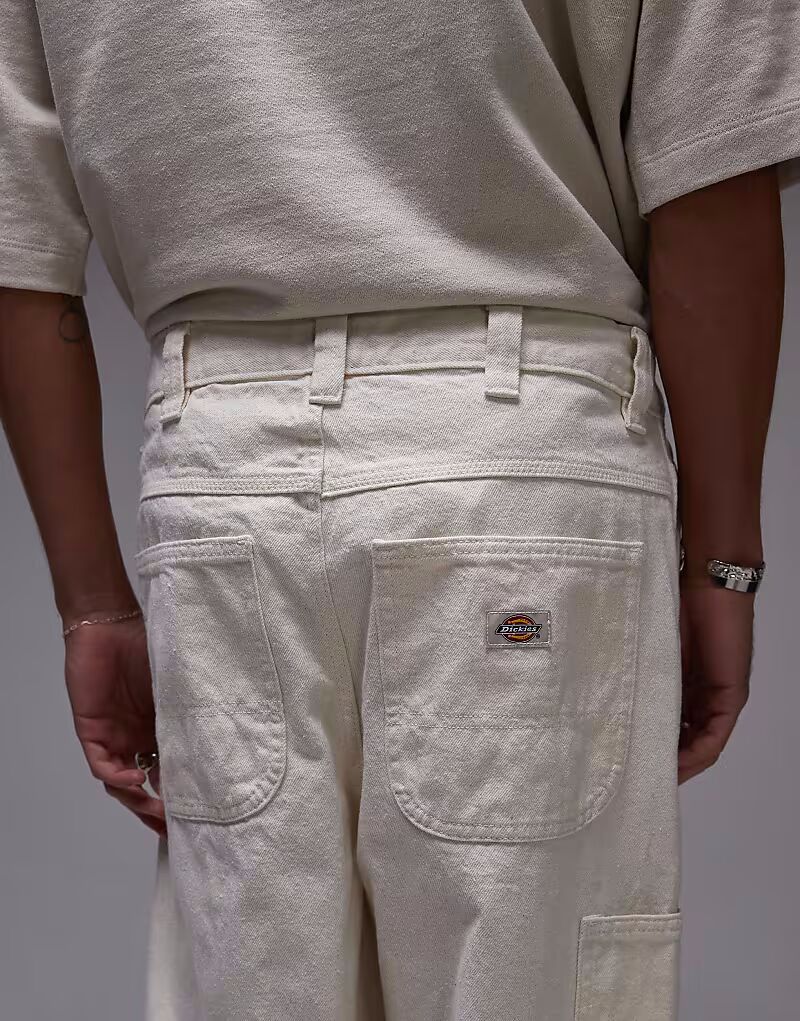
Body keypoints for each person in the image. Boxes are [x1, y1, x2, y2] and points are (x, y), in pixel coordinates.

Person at [1, 2, 797, 1018]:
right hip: (517, 459)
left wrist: (93, 604)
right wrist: (721, 562)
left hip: (221, 474)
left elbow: (16, 250)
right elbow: (710, 166)